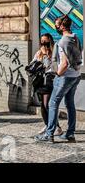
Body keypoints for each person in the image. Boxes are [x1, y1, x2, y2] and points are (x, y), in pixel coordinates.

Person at [36, 15, 82, 143]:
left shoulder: (62, 42)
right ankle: (70, 134)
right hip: (76, 75)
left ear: (62, 26)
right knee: (70, 104)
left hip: (65, 76)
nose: (55, 26)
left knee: (52, 103)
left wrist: (58, 75)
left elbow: (65, 63)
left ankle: (49, 134)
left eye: (56, 24)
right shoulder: (76, 38)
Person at [30, 33, 63, 136]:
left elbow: (51, 66)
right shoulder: (39, 52)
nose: (44, 44)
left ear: (50, 41)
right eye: (42, 42)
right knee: (42, 106)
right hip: (40, 80)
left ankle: (56, 127)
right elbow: (33, 63)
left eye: (46, 42)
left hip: (50, 79)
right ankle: (48, 124)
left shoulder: (54, 52)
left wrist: (45, 55)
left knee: (47, 104)